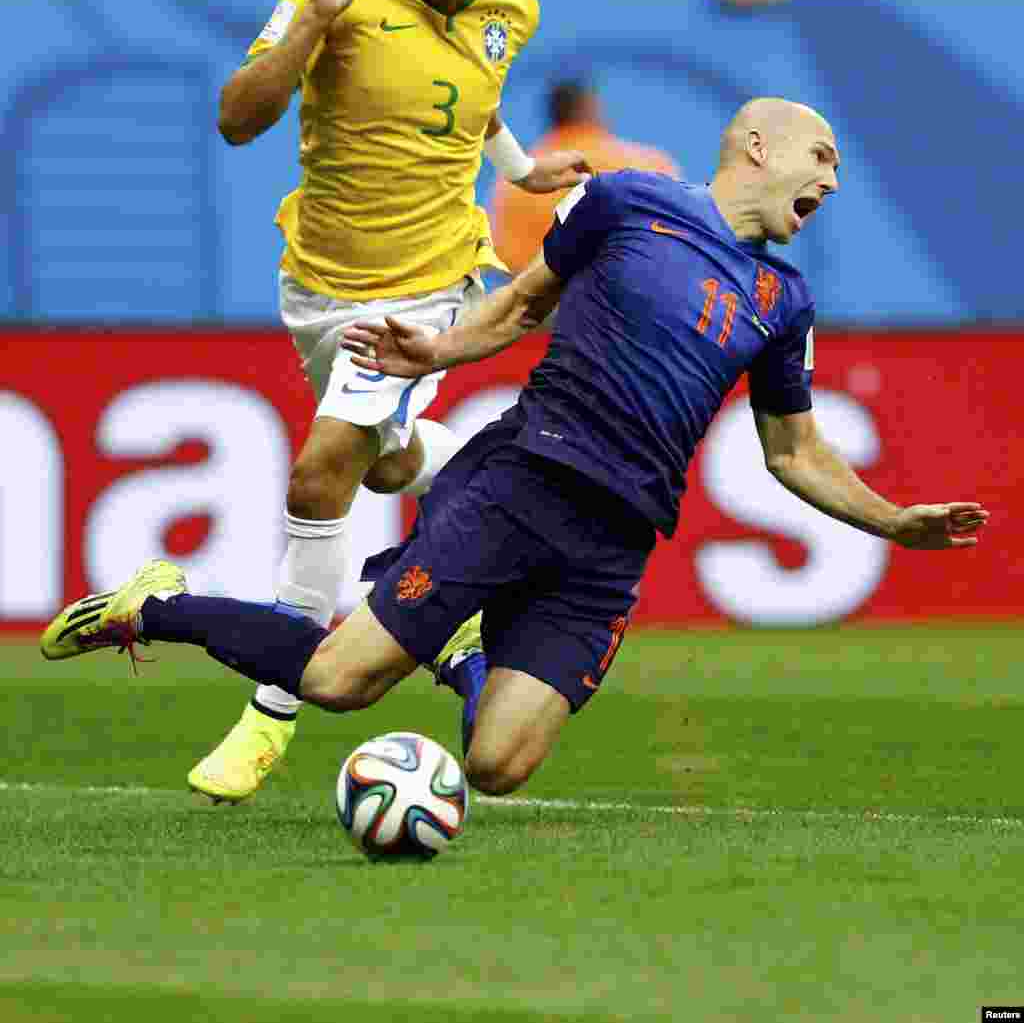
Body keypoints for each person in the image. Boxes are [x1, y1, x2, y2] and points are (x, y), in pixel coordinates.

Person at [41, 98, 989, 799]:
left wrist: (893, 521)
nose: (832, 180)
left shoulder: (784, 302)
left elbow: (795, 451)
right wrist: (436, 350)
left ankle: (459, 646)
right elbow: (522, 303)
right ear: (757, 146)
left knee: (496, 764)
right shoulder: (625, 202)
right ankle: (154, 606)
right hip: (523, 479)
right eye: (822, 156)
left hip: (616, 543)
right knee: (338, 680)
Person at [188, 0, 589, 803]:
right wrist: (312, 26)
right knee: (385, 464)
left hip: (433, 281)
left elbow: (473, 101)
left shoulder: (513, 9)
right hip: (320, 281)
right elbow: (237, 118)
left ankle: (272, 707)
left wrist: (522, 172)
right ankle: (501, 482)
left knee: (321, 469)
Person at [493, 80, 679, 275]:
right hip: (625, 287)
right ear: (590, 107)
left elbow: (504, 260)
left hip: (534, 290)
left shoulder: (512, 183)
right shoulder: (647, 164)